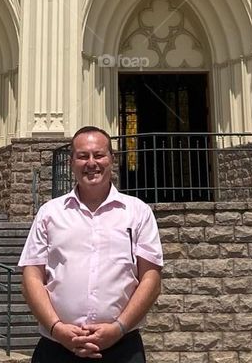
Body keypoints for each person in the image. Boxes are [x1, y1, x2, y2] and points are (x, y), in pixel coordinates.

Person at [19, 127, 163, 362]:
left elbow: (151, 279)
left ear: (112, 159)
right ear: (72, 161)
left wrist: (118, 328)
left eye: (99, 155)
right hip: (57, 348)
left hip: (122, 348)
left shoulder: (138, 213)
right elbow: (31, 277)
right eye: (83, 156)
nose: (91, 163)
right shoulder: (49, 214)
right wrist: (57, 329)